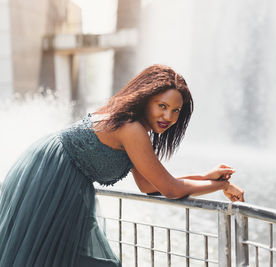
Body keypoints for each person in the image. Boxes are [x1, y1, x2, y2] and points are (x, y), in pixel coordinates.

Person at [0, 64, 244, 267]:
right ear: (146, 99)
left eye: (175, 110)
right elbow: (170, 189)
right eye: (162, 106)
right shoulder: (131, 128)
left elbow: (150, 185)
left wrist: (204, 177)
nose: (168, 117)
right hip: (50, 181)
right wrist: (220, 185)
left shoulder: (134, 127)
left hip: (56, 178)